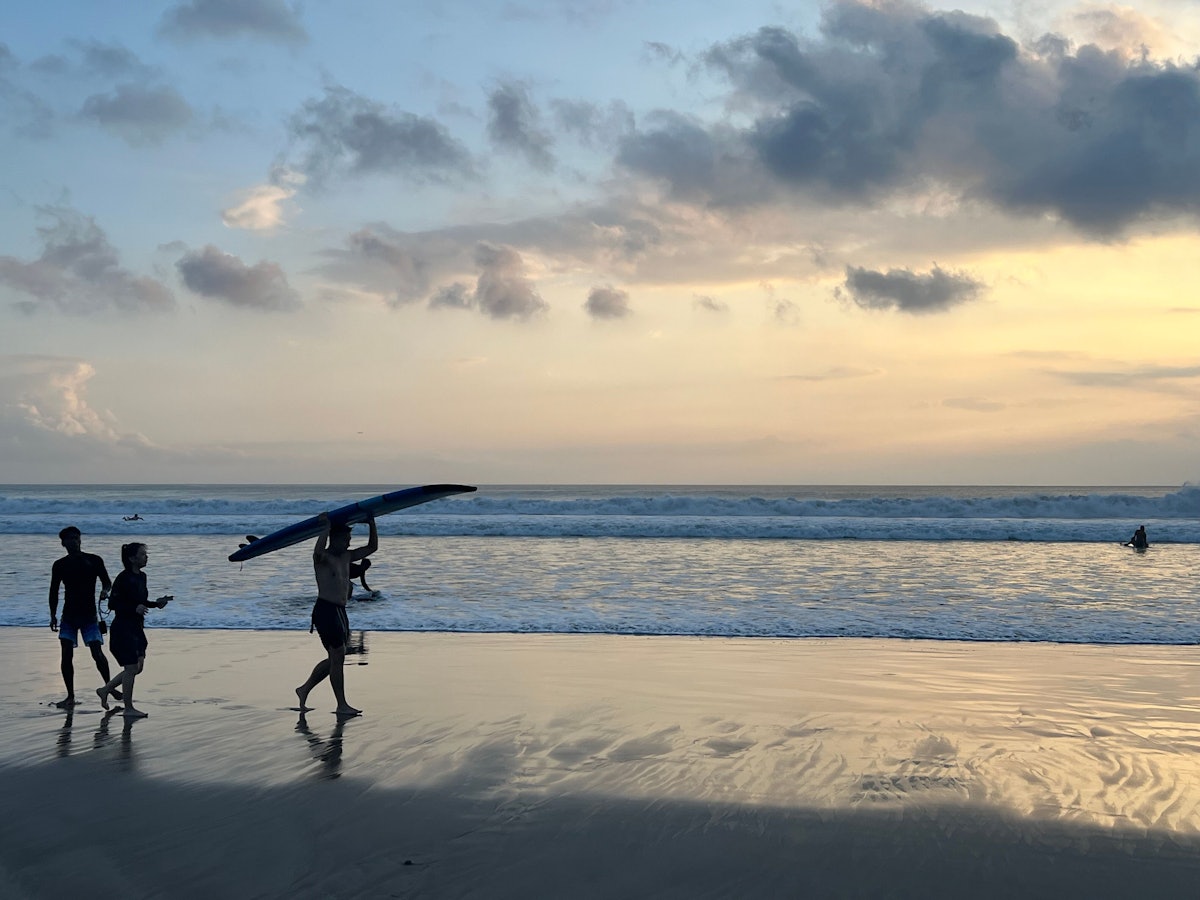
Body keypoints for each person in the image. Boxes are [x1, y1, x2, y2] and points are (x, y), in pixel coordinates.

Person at [296, 514, 377, 717]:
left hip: (340, 611)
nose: (349, 543)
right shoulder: (323, 558)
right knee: (338, 657)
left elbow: (372, 548)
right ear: (335, 539)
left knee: (336, 657)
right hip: (326, 610)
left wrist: (372, 523)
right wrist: (326, 527)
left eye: (349, 540)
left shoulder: (346, 557)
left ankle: (304, 689)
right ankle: (341, 705)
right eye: (345, 539)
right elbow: (316, 552)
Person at [97, 543, 171, 718]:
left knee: (138, 667)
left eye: (146, 554)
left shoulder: (142, 577)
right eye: (143, 554)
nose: (146, 557)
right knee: (130, 667)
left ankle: (105, 689)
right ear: (132, 558)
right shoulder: (123, 578)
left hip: (137, 627)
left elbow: (141, 602)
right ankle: (128, 707)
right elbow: (112, 604)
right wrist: (133, 608)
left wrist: (157, 603)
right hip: (123, 628)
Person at [48, 526, 116, 709]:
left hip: (89, 616)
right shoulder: (60, 565)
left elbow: (107, 582)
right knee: (66, 655)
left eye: (76, 538)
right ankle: (70, 696)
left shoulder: (93, 560)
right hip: (68, 616)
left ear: (80, 540)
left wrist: (104, 591)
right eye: (69, 539)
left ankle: (108, 687)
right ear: (63, 543)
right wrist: (52, 615)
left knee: (97, 653)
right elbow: (53, 591)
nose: (74, 541)